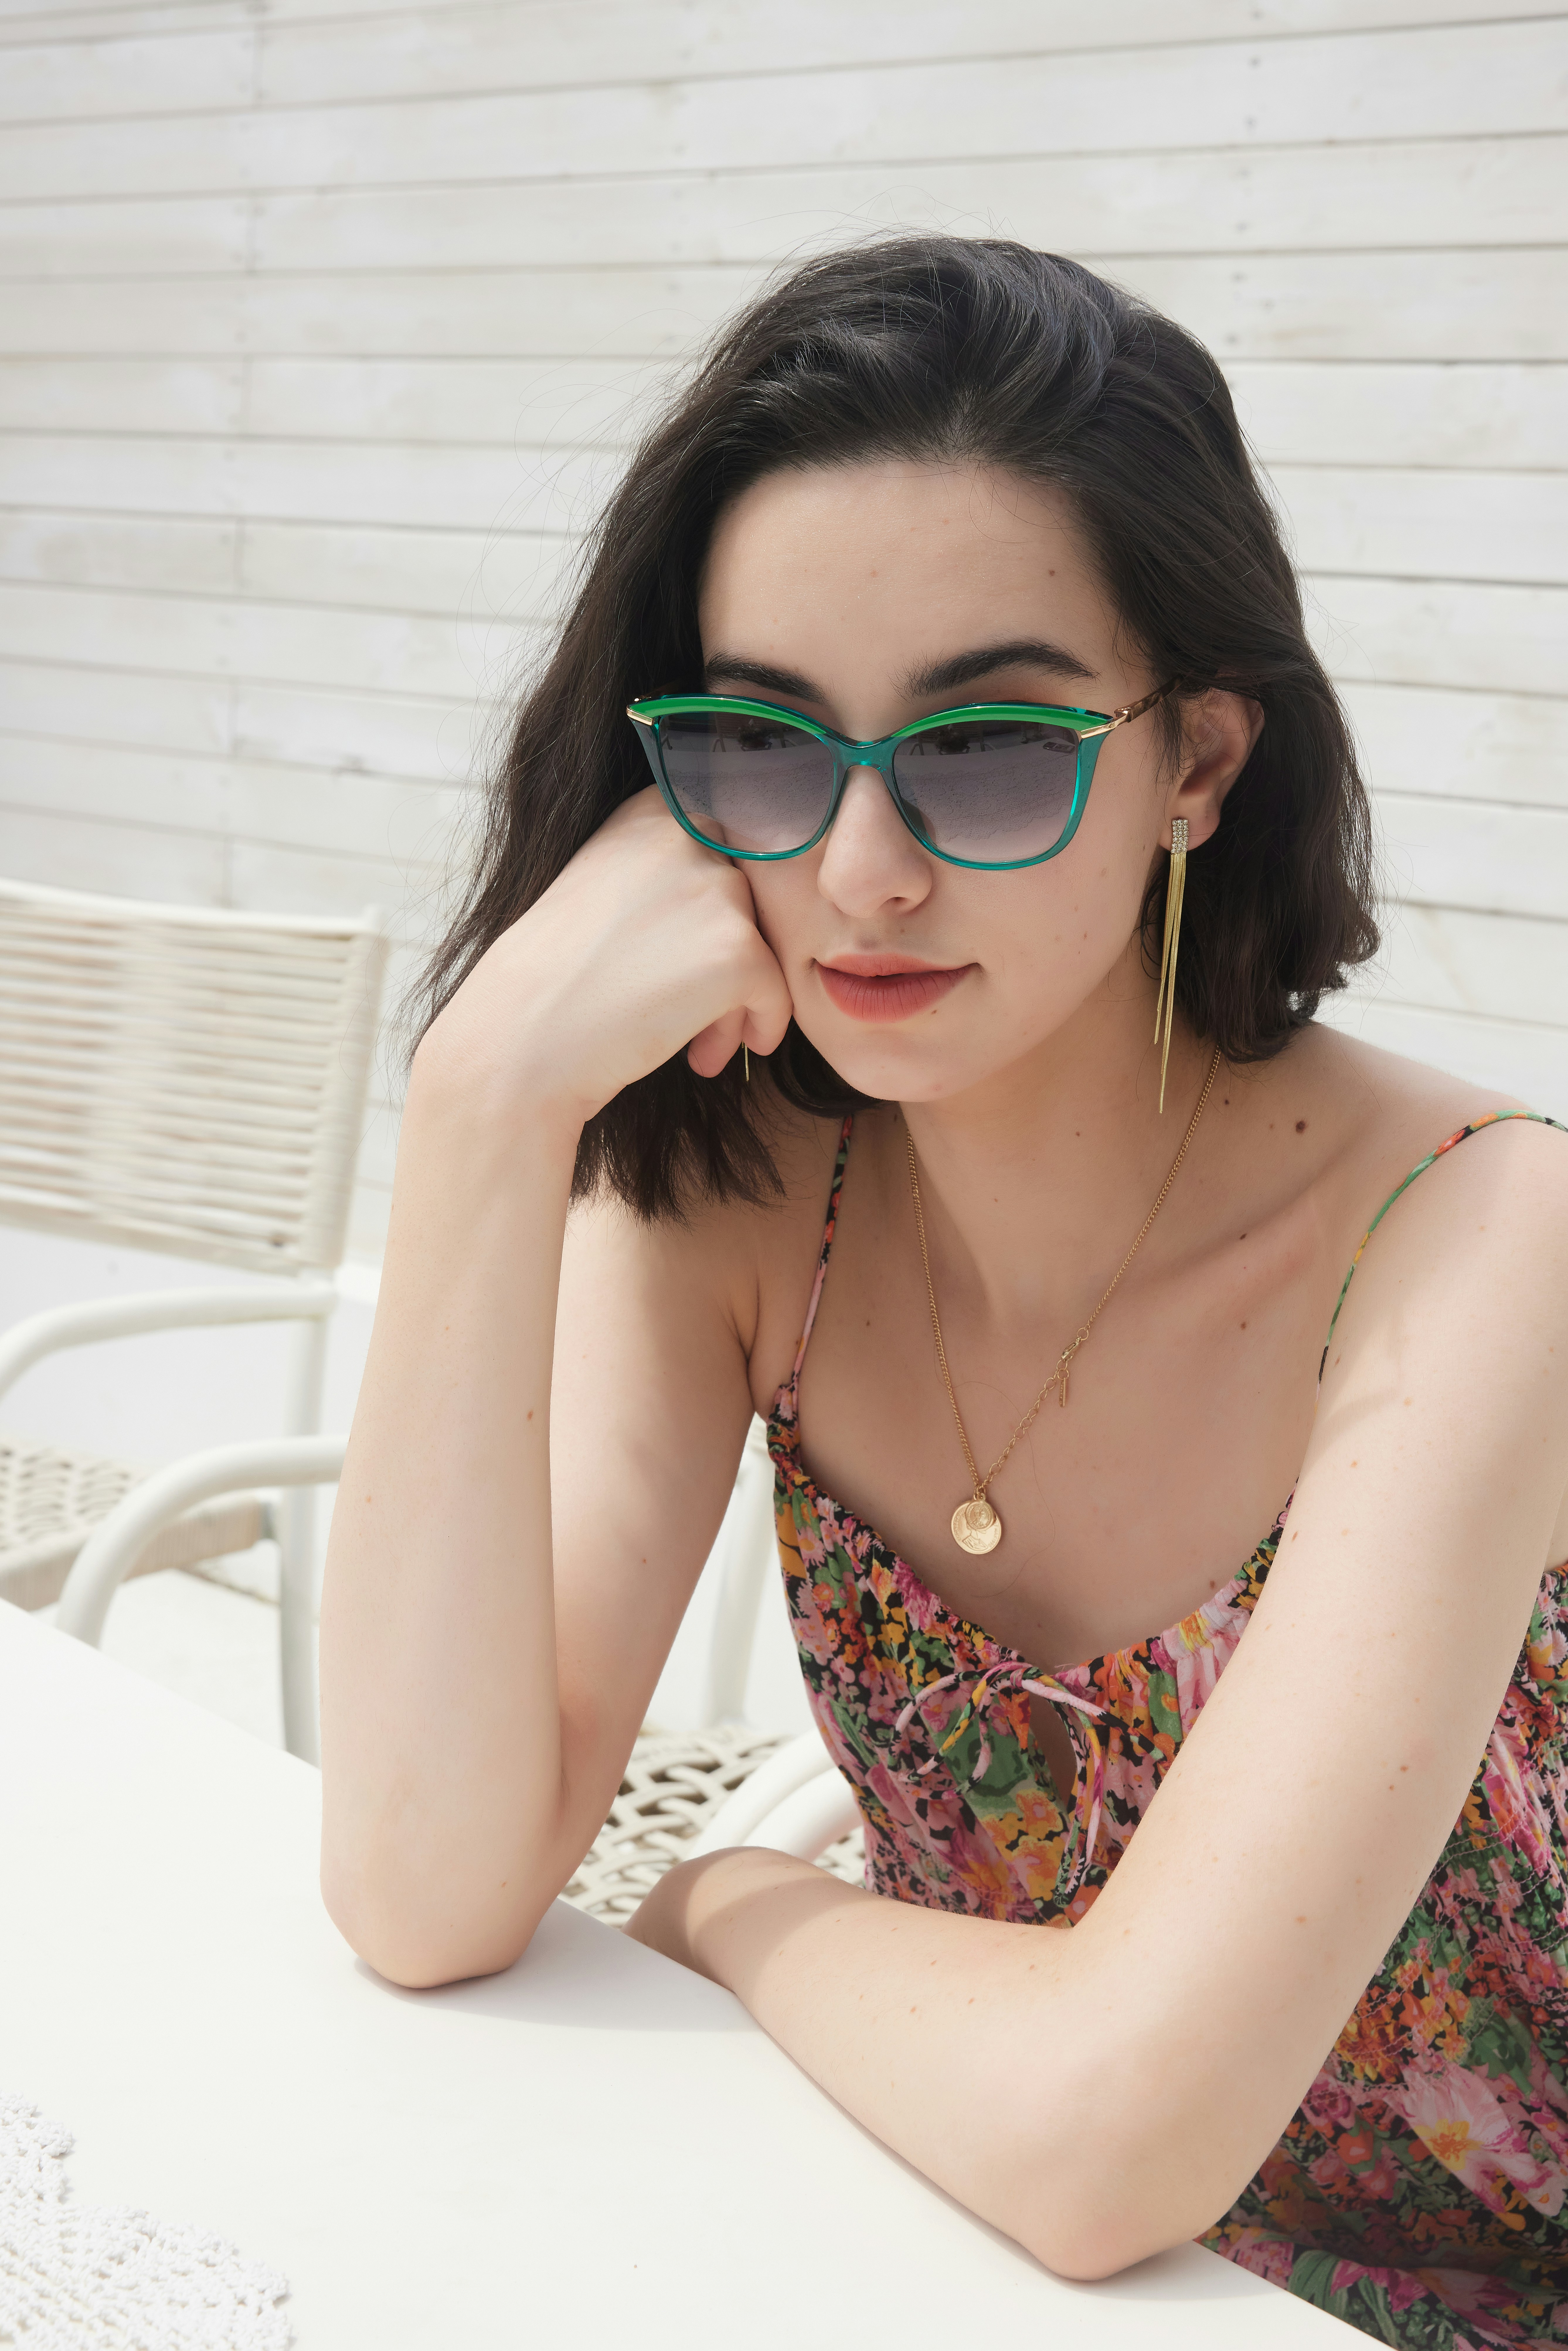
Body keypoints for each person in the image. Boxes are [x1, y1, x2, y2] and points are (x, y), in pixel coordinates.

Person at [317, 239, 1568, 2344]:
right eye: (763, 745)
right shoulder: (742, 1199)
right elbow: (421, 1888)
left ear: (1196, 765)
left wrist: (737, 1896)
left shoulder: (1475, 1239)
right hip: (939, 2244)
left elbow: (1106, 2140)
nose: (860, 873)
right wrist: (480, 1103)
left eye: (986, 753)